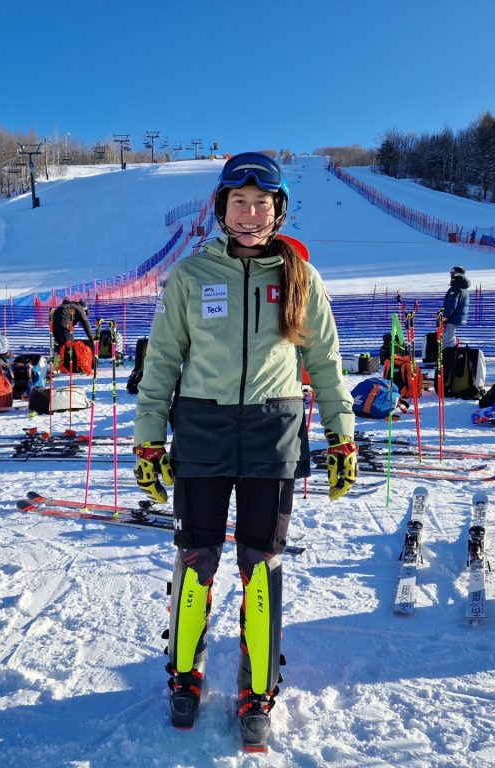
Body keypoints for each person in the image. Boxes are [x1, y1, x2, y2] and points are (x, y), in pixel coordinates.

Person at [132, 152, 355, 745]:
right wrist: (149, 439)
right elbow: (161, 365)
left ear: (277, 209)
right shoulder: (189, 276)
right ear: (221, 208)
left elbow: (325, 364)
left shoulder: (301, 278)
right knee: (197, 556)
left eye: (261, 203)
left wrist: (342, 434)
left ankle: (258, 686)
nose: (250, 213)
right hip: (202, 430)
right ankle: (185, 674)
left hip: (272, 432)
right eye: (239, 202)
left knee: (261, 562)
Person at [442, 266, 470, 348]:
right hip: (457, 317)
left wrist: (445, 316)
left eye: (452, 273)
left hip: (453, 318)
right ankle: (452, 355)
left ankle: (450, 358)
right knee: (450, 337)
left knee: (448, 340)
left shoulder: (456, 288)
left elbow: (452, 304)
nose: (451, 275)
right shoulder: (463, 287)